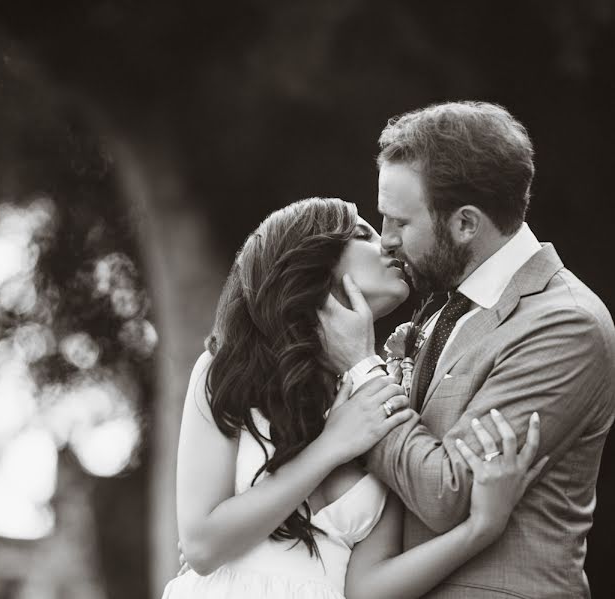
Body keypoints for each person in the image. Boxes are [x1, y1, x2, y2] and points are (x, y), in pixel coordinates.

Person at [161, 197, 546, 599]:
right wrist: (333, 444)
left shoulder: (387, 398)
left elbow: (367, 589)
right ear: (311, 259)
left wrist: (480, 529)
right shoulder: (228, 372)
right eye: (363, 234)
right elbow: (202, 547)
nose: (388, 245)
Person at [321, 101, 615, 597]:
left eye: (401, 223)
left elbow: (445, 492)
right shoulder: (446, 309)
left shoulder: (565, 324)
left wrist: (361, 367)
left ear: (465, 224)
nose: (386, 241)